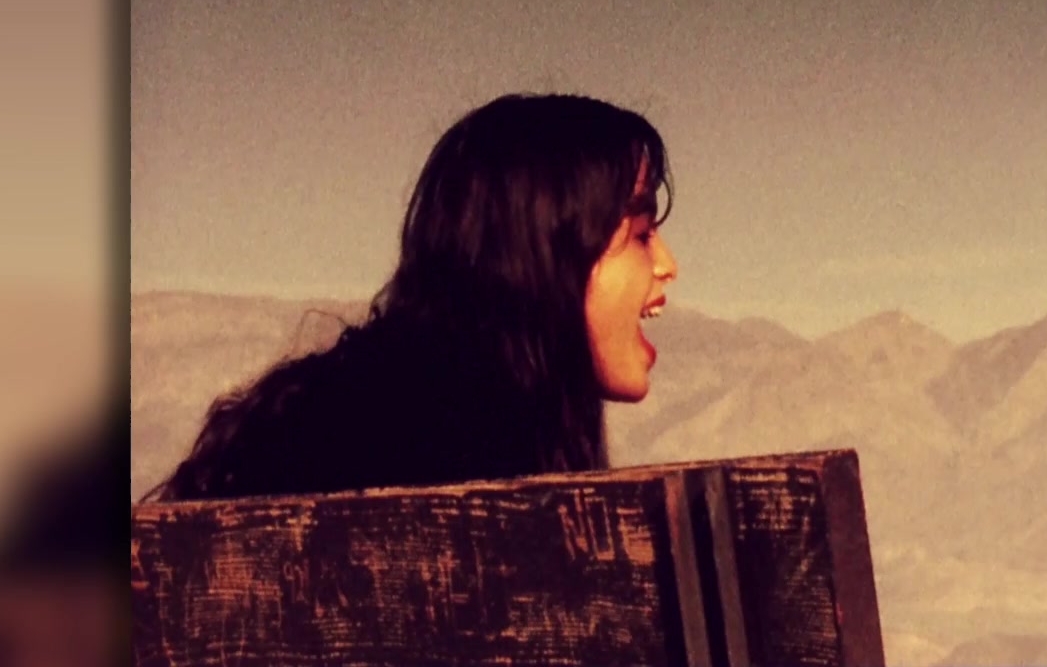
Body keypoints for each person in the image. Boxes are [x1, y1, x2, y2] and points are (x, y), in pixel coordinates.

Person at [147, 93, 678, 502]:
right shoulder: (485, 477)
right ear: (548, 256)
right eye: (640, 234)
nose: (667, 265)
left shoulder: (301, 431)